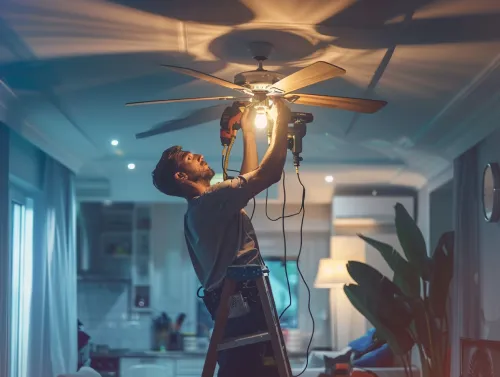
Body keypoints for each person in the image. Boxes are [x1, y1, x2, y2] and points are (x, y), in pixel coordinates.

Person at [151, 98, 291, 377]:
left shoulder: (202, 209)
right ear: (181, 175)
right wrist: (282, 120)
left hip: (232, 301)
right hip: (243, 298)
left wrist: (249, 132)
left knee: (242, 366)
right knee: (251, 369)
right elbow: (269, 173)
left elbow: (249, 177)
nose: (200, 156)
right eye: (191, 159)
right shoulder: (209, 202)